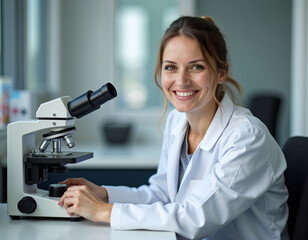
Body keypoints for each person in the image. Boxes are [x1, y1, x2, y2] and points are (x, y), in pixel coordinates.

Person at [59, 16, 289, 240]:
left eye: (196, 67)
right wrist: (104, 194)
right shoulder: (176, 122)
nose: (181, 80)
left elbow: (194, 218)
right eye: (170, 67)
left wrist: (103, 211)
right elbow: (162, 196)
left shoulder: (246, 137)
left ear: (221, 73)